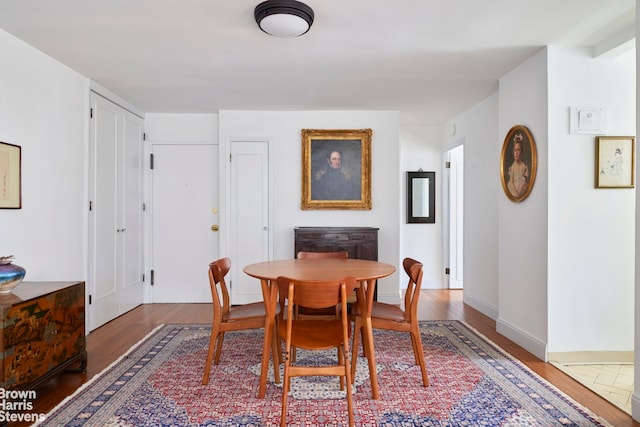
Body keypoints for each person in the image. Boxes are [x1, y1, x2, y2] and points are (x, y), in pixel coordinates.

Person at [507, 134, 529, 198]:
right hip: (513, 188)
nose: (516, 153)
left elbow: (524, 179)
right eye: (515, 150)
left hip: (521, 187)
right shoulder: (513, 167)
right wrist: (516, 192)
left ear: (521, 152)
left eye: (518, 150)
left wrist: (523, 184)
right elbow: (511, 182)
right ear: (513, 152)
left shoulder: (523, 165)